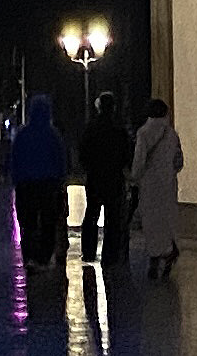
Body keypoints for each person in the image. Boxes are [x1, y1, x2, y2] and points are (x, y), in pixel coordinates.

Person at [8, 94, 72, 268]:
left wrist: (15, 179)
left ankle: (29, 256)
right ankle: (44, 256)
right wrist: (61, 180)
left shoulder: (23, 134)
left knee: (27, 223)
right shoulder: (53, 135)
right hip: (49, 184)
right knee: (48, 221)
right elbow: (60, 159)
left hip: (26, 184)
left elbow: (15, 158)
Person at [129, 98, 183, 282]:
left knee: (150, 221)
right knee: (166, 219)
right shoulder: (172, 134)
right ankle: (169, 250)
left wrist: (134, 177)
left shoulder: (144, 133)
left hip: (149, 184)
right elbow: (179, 161)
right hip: (167, 184)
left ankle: (154, 257)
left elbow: (139, 160)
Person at [78, 97, 134, 265]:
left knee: (91, 214)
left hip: (95, 177)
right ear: (114, 108)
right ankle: (110, 253)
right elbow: (127, 154)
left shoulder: (91, 129)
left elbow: (83, 154)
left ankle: (88, 251)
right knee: (113, 217)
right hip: (114, 177)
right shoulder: (119, 130)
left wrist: (89, 167)